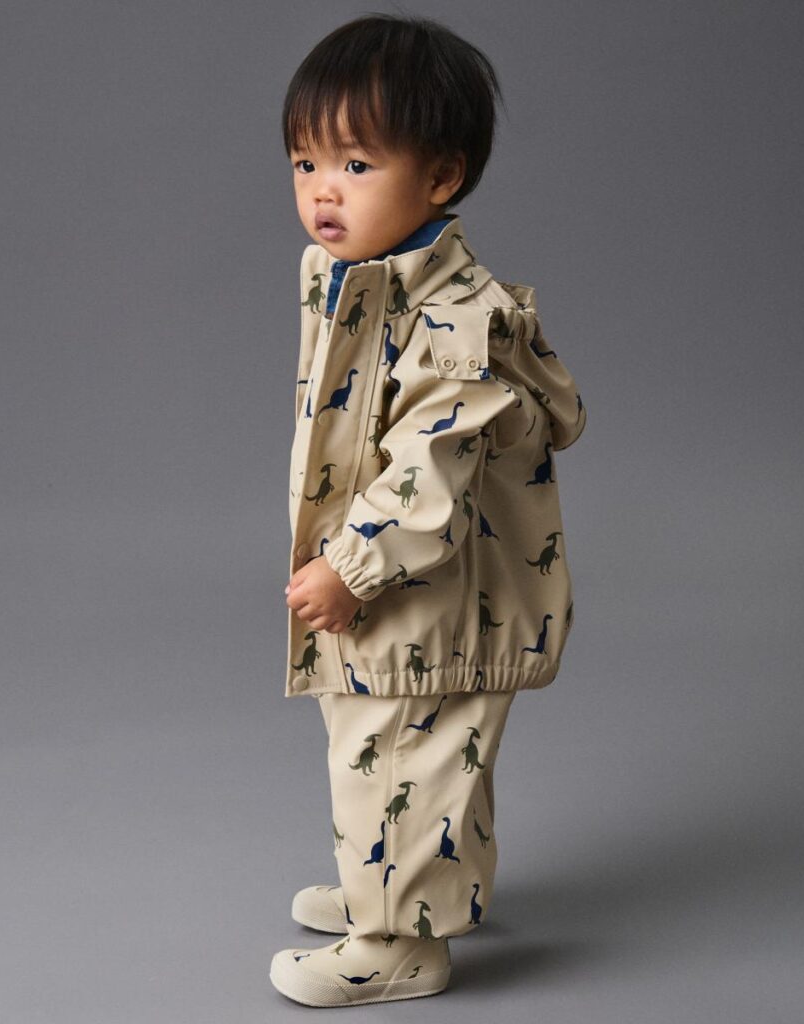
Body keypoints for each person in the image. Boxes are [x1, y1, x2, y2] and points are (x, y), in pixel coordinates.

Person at [270, 12, 587, 1008]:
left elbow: (428, 470)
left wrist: (349, 565)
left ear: (440, 178)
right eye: (304, 159)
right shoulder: (361, 281)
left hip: (433, 586)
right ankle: (412, 883)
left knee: (396, 746)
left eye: (357, 163)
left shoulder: (452, 322)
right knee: (407, 746)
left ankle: (399, 939)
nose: (323, 187)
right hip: (406, 582)